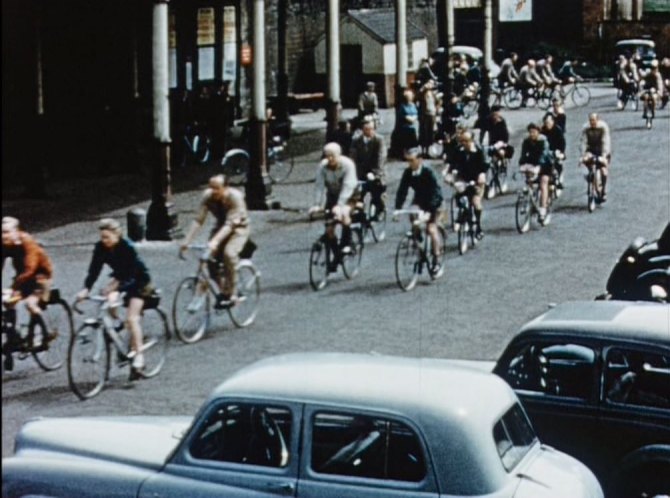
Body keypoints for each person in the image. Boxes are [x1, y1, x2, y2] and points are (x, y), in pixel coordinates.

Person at [76, 218, 153, 380]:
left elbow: (132, 275)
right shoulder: (100, 248)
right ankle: (119, 327)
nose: (104, 241)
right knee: (107, 300)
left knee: (132, 318)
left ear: (117, 235)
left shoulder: (128, 248)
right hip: (120, 278)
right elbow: (94, 271)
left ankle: (139, 356)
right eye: (102, 237)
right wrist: (86, 288)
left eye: (107, 237)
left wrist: (117, 288)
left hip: (139, 282)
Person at [180, 174, 250, 308]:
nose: (213, 191)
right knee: (208, 259)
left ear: (226, 188)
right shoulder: (208, 196)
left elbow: (230, 224)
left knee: (229, 254)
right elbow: (198, 220)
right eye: (211, 187)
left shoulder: (235, 198)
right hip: (220, 226)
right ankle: (224, 290)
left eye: (217, 188)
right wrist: (187, 240)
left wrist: (215, 241)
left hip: (238, 229)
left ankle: (234, 293)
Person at [2, 217, 54, 369]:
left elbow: (30, 268)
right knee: (8, 303)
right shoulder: (5, 244)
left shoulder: (27, 242)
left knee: (31, 304)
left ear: (16, 231)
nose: (3, 236)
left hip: (40, 276)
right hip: (22, 278)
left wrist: (13, 287)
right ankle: (14, 339)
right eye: (1, 232)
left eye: (6, 232)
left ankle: (47, 333)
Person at [394, 148, 444, 270]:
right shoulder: (408, 172)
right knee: (413, 215)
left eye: (412, 160)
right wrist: (397, 208)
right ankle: (418, 241)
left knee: (431, 229)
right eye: (408, 161)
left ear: (420, 160)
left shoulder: (428, 172)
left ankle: (436, 258)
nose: (410, 164)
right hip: (420, 201)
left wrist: (429, 211)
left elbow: (437, 193)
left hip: (434, 203)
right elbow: (402, 191)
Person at [309, 143, 358, 262]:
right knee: (329, 228)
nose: (330, 159)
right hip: (332, 195)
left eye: (333, 156)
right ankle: (337, 255)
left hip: (350, 195)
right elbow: (319, 186)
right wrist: (317, 204)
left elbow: (348, 186)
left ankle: (348, 243)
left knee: (344, 214)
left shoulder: (348, 165)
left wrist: (340, 206)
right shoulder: (323, 166)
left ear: (339, 155)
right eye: (327, 156)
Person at [446, 132, 488, 238]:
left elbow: (484, 165)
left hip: (476, 180)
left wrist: (481, 175)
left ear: (472, 140)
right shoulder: (458, 150)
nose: (464, 143)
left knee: (476, 203)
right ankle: (461, 213)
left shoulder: (478, 151)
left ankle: (478, 227)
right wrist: (449, 174)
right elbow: (452, 163)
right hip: (463, 178)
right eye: (462, 141)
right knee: (459, 193)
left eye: (466, 141)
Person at [349, 119, 386, 216]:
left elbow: (380, 158)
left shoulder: (379, 140)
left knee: (376, 191)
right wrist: (352, 173)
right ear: (362, 130)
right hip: (360, 172)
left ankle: (379, 208)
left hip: (375, 171)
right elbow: (352, 157)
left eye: (371, 129)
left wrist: (375, 173)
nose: (369, 132)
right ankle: (359, 212)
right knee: (357, 195)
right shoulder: (356, 140)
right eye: (366, 129)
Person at [519, 123, 553, 223]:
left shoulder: (543, 141)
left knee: (543, 183)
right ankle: (529, 201)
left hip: (545, 164)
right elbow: (523, 154)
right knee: (529, 182)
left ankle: (543, 209)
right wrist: (522, 163)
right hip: (532, 163)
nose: (532, 134)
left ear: (538, 132)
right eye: (530, 132)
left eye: (533, 132)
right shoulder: (526, 141)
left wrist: (539, 166)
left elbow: (544, 154)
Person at [580, 113, 611, 201]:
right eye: (590, 120)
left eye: (594, 120)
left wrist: (604, 155)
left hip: (601, 151)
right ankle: (592, 185)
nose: (592, 122)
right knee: (589, 170)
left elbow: (606, 142)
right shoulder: (586, 128)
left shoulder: (603, 127)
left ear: (597, 120)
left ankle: (603, 190)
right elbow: (583, 142)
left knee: (604, 172)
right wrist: (583, 154)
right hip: (590, 150)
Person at [541, 114, 566, 189]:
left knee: (558, 162)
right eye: (546, 122)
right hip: (546, 151)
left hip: (556, 149)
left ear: (553, 122)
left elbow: (562, 142)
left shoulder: (557, 130)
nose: (547, 124)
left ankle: (560, 179)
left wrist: (560, 151)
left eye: (549, 122)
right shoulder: (542, 130)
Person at [418, 80, 438, 157]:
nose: (430, 85)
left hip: (432, 115)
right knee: (424, 132)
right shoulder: (423, 93)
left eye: (432, 84)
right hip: (424, 115)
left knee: (430, 133)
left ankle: (428, 151)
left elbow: (436, 103)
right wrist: (423, 88)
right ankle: (423, 150)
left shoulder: (433, 94)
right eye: (429, 83)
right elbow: (417, 96)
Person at [641, 60, 664, 124]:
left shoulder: (658, 76)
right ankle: (645, 112)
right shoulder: (648, 74)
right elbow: (643, 81)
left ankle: (653, 111)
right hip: (647, 90)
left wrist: (659, 92)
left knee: (654, 98)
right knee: (645, 97)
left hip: (655, 91)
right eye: (652, 68)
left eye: (655, 68)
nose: (654, 69)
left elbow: (660, 85)